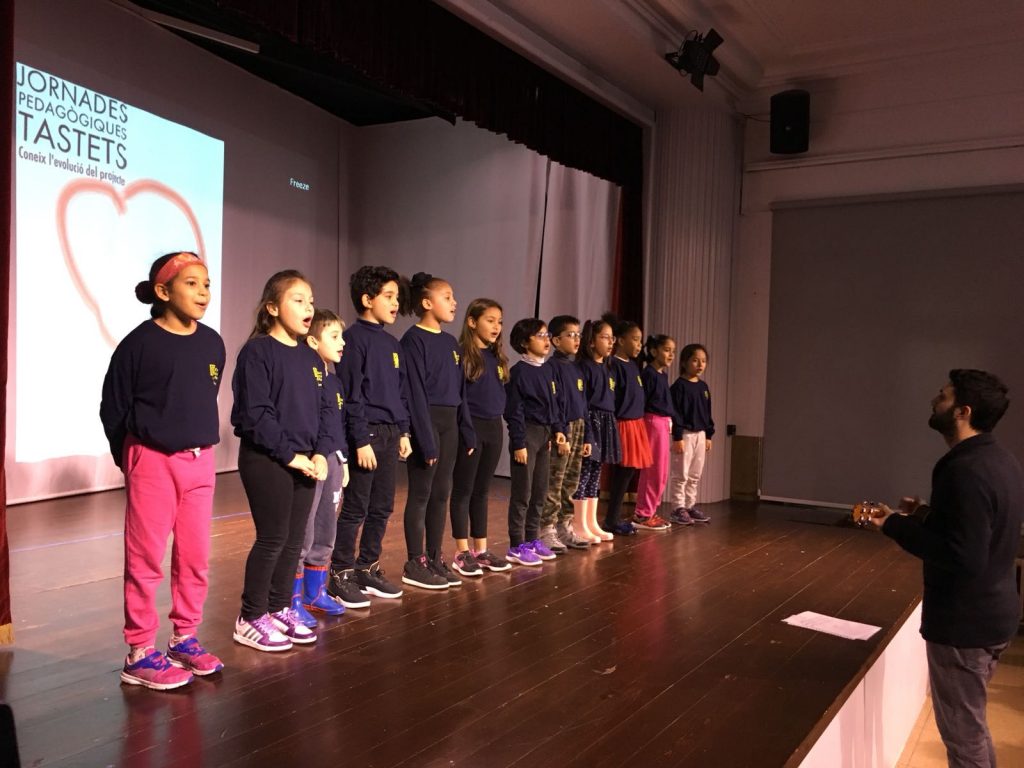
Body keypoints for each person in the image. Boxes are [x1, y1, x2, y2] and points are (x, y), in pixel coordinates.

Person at [869, 369, 1023, 768]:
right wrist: (923, 514)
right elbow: (975, 530)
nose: (934, 400)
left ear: (962, 411)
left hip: (964, 627)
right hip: (994, 615)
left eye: (944, 395)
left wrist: (894, 525)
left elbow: (963, 557)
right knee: (972, 728)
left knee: (964, 739)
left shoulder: (963, 469)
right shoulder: (1000, 460)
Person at [101, 251, 226, 689]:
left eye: (206, 284)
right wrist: (133, 458)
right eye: (191, 283)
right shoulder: (138, 345)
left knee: (194, 557)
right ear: (163, 291)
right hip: (151, 460)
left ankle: (184, 638)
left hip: (200, 463)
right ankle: (139, 651)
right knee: (145, 559)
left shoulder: (212, 342)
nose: (203, 292)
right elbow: (114, 408)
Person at [231, 270, 332, 652]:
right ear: (272, 308)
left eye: (311, 301)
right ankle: (250, 616)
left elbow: (325, 411)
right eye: (298, 300)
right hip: (268, 459)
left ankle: (278, 608)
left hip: (305, 461)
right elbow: (256, 414)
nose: (308, 308)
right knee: (273, 538)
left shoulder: (311, 357)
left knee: (293, 542)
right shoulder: (257, 353)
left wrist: (320, 452)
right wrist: (291, 456)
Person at [327, 266, 411, 608]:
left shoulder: (392, 344)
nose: (395, 303)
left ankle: (368, 567)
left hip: (390, 433)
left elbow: (400, 392)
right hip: (368, 433)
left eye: (396, 297)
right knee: (356, 507)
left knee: (382, 506)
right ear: (367, 299)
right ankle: (341, 572)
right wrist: (360, 440)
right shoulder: (354, 340)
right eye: (388, 296)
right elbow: (351, 395)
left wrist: (404, 430)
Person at [400, 273, 476, 590]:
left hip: (449, 424)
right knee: (421, 494)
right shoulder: (413, 340)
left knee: (442, 493)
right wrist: (425, 438)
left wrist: (466, 429)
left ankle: (434, 557)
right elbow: (414, 392)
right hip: (427, 421)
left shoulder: (450, 343)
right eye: (447, 297)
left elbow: (461, 392)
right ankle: (414, 561)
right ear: (427, 302)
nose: (454, 302)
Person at [449, 299, 513, 575]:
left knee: (482, 490)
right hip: (471, 426)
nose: (496, 326)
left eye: (499, 321)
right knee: (463, 489)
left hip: (493, 427)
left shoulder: (497, 357)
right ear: (472, 322)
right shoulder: (463, 354)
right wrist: (467, 432)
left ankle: (481, 549)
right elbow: (461, 398)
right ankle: (462, 552)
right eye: (490, 320)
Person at [294, 309, 350, 625]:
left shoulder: (335, 381)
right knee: (305, 528)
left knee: (327, 527)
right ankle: (292, 597)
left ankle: (315, 592)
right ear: (313, 341)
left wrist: (342, 459)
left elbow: (336, 424)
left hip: (333, 460)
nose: (342, 343)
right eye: (334, 336)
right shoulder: (305, 379)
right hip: (312, 459)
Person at [504, 319, 567, 565]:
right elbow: (514, 411)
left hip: (544, 435)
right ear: (524, 342)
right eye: (540, 335)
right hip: (527, 434)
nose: (546, 340)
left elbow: (555, 404)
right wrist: (519, 442)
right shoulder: (519, 372)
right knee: (523, 492)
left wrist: (557, 430)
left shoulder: (548, 370)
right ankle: (516, 544)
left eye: (546, 335)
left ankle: (532, 539)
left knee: (540, 490)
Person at [539, 315, 592, 552]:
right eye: (570, 335)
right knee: (555, 481)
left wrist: (588, 437)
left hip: (579, 427)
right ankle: (547, 529)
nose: (576, 339)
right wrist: (559, 430)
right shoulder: (551, 368)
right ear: (556, 340)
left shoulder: (577, 369)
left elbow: (584, 404)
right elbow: (554, 403)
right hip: (563, 429)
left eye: (578, 335)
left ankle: (565, 526)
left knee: (571, 481)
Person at [572, 319, 620, 543]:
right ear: (591, 342)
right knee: (584, 472)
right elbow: (584, 401)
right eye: (605, 337)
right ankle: (578, 523)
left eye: (612, 338)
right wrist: (587, 433)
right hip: (591, 421)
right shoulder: (584, 367)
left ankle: (591, 522)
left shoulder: (608, 368)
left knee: (595, 473)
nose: (610, 342)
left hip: (606, 421)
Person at [604, 316, 653, 536]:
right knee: (622, 473)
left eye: (640, 340)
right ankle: (611, 519)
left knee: (628, 472)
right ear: (621, 340)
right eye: (635, 339)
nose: (639, 345)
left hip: (636, 423)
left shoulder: (633, 365)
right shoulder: (614, 365)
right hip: (623, 423)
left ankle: (614, 518)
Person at [633, 334, 676, 531]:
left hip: (663, 423)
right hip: (652, 422)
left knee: (662, 471)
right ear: (653, 351)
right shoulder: (648, 374)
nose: (671, 355)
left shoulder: (662, 375)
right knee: (653, 471)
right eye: (667, 350)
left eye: (673, 351)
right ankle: (643, 513)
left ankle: (650, 511)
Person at [668, 344, 714, 525]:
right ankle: (678, 508)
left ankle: (689, 506)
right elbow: (675, 414)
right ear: (684, 362)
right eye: (695, 360)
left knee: (695, 474)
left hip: (700, 434)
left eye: (703, 361)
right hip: (685, 434)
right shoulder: (678, 387)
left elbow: (707, 412)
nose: (700, 364)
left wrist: (708, 434)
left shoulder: (703, 387)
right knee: (681, 473)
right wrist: (678, 436)